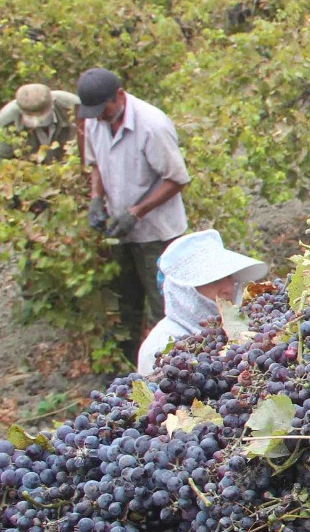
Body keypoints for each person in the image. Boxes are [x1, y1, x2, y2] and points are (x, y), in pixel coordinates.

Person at [78, 67, 192, 364]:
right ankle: (125, 369)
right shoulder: (95, 122)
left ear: (119, 96)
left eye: (104, 109)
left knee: (162, 307)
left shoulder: (152, 125)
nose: (100, 117)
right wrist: (95, 200)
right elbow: (96, 166)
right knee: (125, 304)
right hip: (121, 231)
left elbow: (177, 179)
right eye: (95, 113)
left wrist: (137, 212)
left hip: (158, 234)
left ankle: (164, 369)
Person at [138, 230, 267, 376]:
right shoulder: (162, 345)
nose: (229, 288)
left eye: (230, 276)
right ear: (185, 291)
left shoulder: (241, 332)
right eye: (214, 280)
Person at [0, 83, 81, 163]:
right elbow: (2, 158)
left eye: (41, 114)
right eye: (30, 116)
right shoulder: (7, 119)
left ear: (52, 103)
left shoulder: (72, 107)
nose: (36, 121)